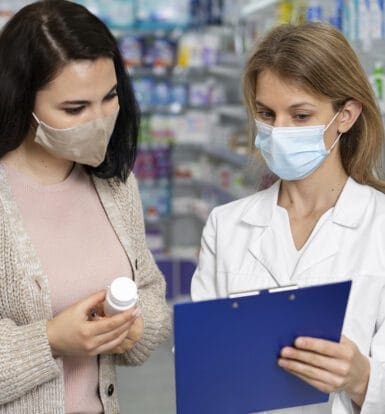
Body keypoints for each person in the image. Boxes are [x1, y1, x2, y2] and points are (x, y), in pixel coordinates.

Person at [191, 22, 385, 414]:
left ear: (345, 115)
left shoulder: (378, 225)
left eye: (299, 116)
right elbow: (200, 361)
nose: (278, 131)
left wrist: (362, 377)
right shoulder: (226, 225)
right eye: (267, 113)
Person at [0, 1, 171, 413]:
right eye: (75, 108)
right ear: (21, 101)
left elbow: (149, 290)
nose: (100, 120)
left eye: (109, 97)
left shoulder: (115, 185)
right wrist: (52, 339)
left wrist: (133, 325)